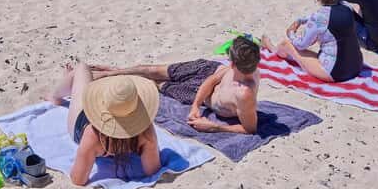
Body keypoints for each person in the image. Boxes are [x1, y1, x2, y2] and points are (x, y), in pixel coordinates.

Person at [91, 36, 261, 134]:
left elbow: (249, 129)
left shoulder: (244, 94)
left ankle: (115, 76)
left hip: (195, 92)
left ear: (233, 63)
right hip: (207, 70)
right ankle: (110, 73)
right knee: (152, 70)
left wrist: (214, 127)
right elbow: (212, 80)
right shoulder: (242, 66)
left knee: (156, 84)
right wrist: (195, 106)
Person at [48, 63, 161, 186]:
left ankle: (55, 95)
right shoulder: (145, 130)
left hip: (82, 124)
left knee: (82, 68)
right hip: (103, 133)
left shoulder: (92, 135)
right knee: (80, 80)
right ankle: (70, 82)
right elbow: (153, 171)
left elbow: (78, 180)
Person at [261, 0, 363, 82]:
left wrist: (291, 33)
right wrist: (301, 20)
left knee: (286, 44)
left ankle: (273, 49)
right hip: (356, 65)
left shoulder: (319, 17)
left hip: (336, 73)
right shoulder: (346, 6)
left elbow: (301, 44)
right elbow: (324, 19)